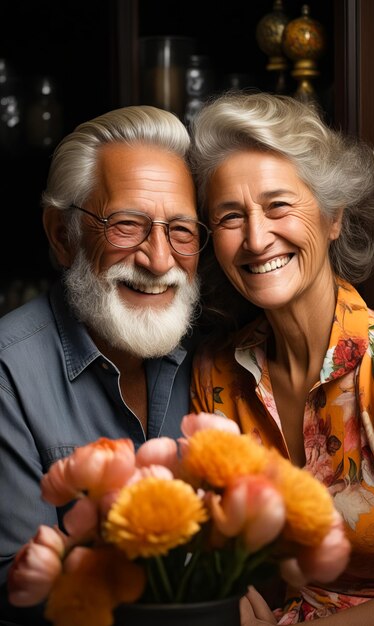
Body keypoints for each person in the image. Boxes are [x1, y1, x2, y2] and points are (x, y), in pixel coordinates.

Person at [188, 91, 374, 624]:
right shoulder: (214, 372)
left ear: (333, 216)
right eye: (229, 216)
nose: (256, 237)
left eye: (278, 206)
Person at [0, 104, 210, 624]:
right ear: (61, 234)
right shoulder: (8, 372)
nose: (159, 260)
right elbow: (19, 588)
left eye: (181, 230)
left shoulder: (218, 352)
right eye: (127, 224)